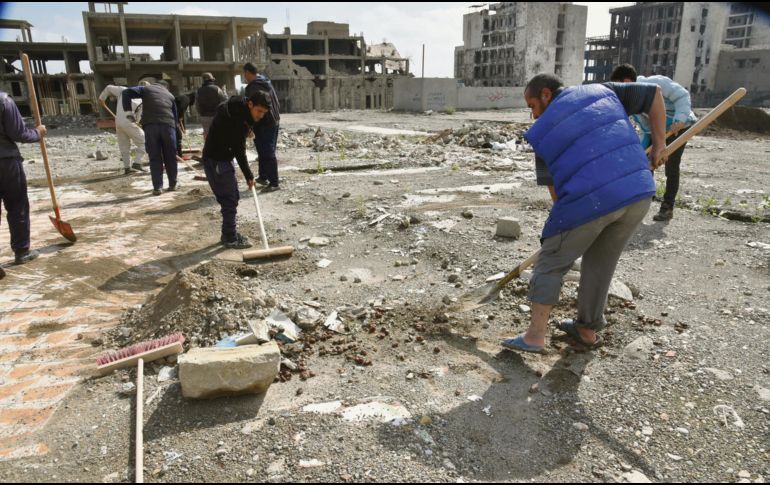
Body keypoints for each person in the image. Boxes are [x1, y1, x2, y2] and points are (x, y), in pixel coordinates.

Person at [501, 73, 668, 354]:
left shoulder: (542, 134)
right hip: (638, 192)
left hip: (591, 199)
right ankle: (587, 331)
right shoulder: (604, 91)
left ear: (545, 94)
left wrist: (561, 237)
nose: (532, 115)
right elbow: (654, 94)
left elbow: (556, 193)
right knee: (600, 263)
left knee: (551, 262)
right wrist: (660, 145)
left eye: (532, 105)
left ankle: (534, 337)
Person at [611, 64, 697, 221]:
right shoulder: (632, 99)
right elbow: (645, 127)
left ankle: (667, 207)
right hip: (657, 129)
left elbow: (682, 96)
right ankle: (640, 203)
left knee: (670, 165)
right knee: (644, 163)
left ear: (627, 81)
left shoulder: (656, 83)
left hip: (677, 127)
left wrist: (680, 118)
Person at [202, 91, 272, 249]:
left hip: (220, 157)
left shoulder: (238, 106)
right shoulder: (238, 120)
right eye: (259, 111)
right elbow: (239, 151)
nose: (261, 116)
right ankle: (230, 238)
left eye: (264, 112)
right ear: (250, 104)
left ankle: (228, 234)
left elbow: (224, 113)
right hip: (218, 160)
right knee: (230, 198)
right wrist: (249, 175)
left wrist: (246, 130)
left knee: (231, 197)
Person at [0, 90, 47, 274]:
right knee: (17, 205)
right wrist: (38, 132)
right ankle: (21, 251)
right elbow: (19, 134)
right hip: (6, 162)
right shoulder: (4, 101)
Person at [122, 80, 178, 196]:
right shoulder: (170, 95)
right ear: (166, 87)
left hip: (151, 126)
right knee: (170, 156)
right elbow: (175, 118)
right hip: (168, 126)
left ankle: (157, 187)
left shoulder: (146, 89)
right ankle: (173, 184)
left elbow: (126, 92)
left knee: (155, 157)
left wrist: (129, 112)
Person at [242, 62, 281, 192]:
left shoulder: (253, 87)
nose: (244, 77)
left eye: (244, 74)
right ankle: (264, 176)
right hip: (274, 120)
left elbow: (251, 109)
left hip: (263, 122)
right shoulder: (266, 82)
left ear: (247, 72)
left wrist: (249, 126)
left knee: (267, 151)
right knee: (264, 150)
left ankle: (274, 182)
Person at [98, 84, 146, 174]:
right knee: (145, 142)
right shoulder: (143, 99)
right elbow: (139, 117)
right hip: (129, 122)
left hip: (119, 122)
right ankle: (137, 163)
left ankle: (127, 168)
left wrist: (102, 98)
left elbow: (108, 88)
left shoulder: (124, 91)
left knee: (124, 146)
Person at [196, 72, 227, 140]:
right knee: (218, 135)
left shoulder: (199, 91)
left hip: (204, 117)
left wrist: (201, 114)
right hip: (216, 116)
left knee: (207, 135)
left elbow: (197, 106)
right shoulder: (217, 89)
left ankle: (208, 149)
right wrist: (224, 91)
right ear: (211, 80)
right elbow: (225, 101)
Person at [174, 92, 195, 159]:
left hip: (172, 117)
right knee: (178, 136)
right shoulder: (186, 99)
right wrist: (179, 118)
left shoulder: (183, 97)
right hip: (172, 119)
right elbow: (181, 111)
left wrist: (184, 128)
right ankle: (179, 155)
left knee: (176, 136)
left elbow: (181, 115)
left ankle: (177, 154)